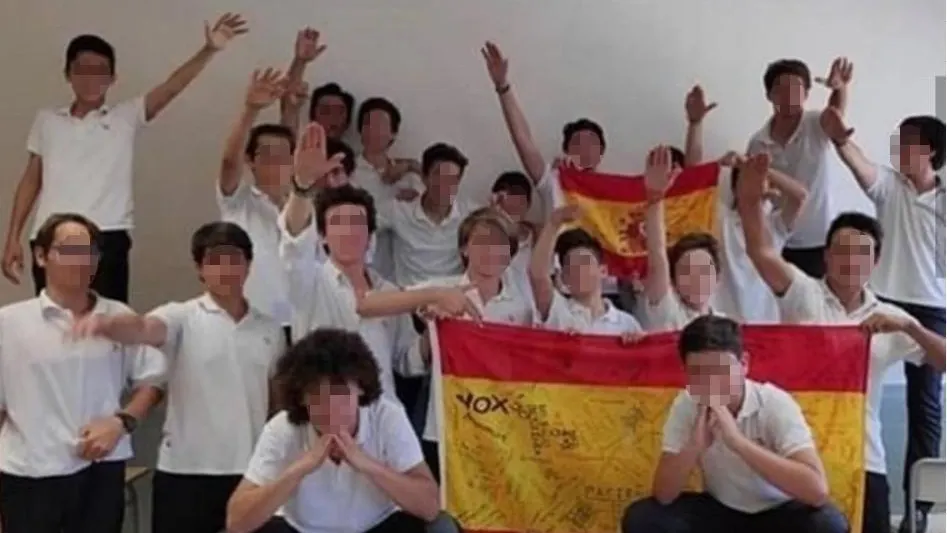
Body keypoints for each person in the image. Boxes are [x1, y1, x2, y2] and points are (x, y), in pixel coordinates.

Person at [736, 153, 947, 533]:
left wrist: (910, 329)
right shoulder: (802, 293)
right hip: (795, 450)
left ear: (875, 260)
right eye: (842, 252)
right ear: (827, 256)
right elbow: (761, 251)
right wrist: (750, 199)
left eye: (862, 253)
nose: (851, 261)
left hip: (864, 456)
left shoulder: (890, 318)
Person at [1, 14, 249, 302]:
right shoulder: (47, 120)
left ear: (112, 78)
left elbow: (170, 88)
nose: (91, 78)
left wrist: (209, 50)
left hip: (107, 235)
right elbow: (32, 179)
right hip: (51, 235)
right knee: (52, 322)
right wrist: (12, 237)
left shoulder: (126, 116)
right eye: (82, 70)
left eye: (100, 71)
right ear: (68, 74)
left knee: (108, 326)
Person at [70, 221, 284, 533]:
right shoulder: (182, 316)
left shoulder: (270, 329)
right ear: (200, 268)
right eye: (214, 260)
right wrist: (108, 325)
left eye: (234, 259)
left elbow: (277, 402)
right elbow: (144, 328)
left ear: (248, 265)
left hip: (252, 471)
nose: (226, 269)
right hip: (186, 471)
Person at [820, 110, 946, 533]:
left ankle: (918, 511)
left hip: (930, 309)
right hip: (882, 299)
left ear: (929, 150)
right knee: (856, 392)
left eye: (907, 141)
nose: (898, 149)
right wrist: (840, 141)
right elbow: (860, 164)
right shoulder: (889, 187)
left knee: (926, 408)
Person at [0, 213, 166, 533]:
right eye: (70, 250)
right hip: (30, 473)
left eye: (89, 251)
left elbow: (153, 381)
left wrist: (121, 422)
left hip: (101, 470)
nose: (81, 261)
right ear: (40, 256)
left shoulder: (118, 317)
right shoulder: (9, 324)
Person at [621, 315, 849, 533]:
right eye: (698, 373)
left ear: (744, 364)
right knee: (643, 518)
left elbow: (817, 491)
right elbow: (663, 494)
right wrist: (695, 445)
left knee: (828, 524)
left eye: (721, 371)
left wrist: (738, 442)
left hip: (777, 511)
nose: (712, 383)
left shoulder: (774, 403)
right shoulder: (687, 403)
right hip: (720, 511)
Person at [356, 207, 534, 478]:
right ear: (464, 249)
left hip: (501, 426)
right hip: (444, 423)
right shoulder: (439, 289)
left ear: (510, 252)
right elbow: (368, 305)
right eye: (482, 242)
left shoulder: (523, 307)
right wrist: (433, 326)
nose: (491, 251)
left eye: (500, 244)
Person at [225, 328, 459, 533]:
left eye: (340, 393)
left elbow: (429, 506)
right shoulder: (282, 428)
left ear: (360, 390)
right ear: (301, 398)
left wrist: (367, 464)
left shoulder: (387, 417)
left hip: (376, 525)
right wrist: (299, 469)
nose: (330, 407)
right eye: (317, 395)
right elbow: (236, 521)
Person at [279, 122, 415, 401]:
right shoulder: (310, 282)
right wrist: (302, 189)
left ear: (371, 235)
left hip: (382, 424)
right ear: (323, 237)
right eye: (338, 223)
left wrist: (435, 332)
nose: (349, 231)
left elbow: (407, 360)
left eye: (357, 223)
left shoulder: (390, 292)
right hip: (322, 419)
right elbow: (294, 244)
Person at [745, 57, 863, 279]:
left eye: (797, 88)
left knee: (817, 310)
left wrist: (840, 88)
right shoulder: (757, 143)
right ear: (769, 95)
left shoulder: (816, 123)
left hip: (818, 242)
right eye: (781, 88)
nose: (790, 94)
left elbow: (834, 114)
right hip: (776, 239)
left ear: (807, 93)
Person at [218, 68, 295, 339]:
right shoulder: (238, 202)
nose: (276, 160)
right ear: (251, 160)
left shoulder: (305, 207)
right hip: (251, 324)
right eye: (267, 154)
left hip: (302, 323)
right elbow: (229, 162)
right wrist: (251, 110)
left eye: (284, 154)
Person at [714, 157, 808, 323]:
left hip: (766, 317)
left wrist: (762, 171)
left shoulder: (774, 224)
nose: (758, 184)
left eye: (763, 181)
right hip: (726, 316)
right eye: (749, 181)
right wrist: (721, 166)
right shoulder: (722, 220)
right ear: (736, 189)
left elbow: (800, 196)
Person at [529, 205, 642, 338]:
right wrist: (554, 222)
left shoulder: (627, 324)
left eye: (585, 262)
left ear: (603, 271)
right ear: (564, 277)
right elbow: (538, 275)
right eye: (571, 265)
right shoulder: (558, 311)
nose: (579, 270)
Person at [375, 142, 477, 287]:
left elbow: (509, 231)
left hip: (452, 300)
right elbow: (356, 219)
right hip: (411, 300)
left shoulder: (470, 215)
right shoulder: (399, 211)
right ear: (424, 177)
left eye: (452, 180)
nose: (445, 185)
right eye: (439, 176)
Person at [642, 146, 721, 330]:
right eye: (687, 272)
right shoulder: (667, 313)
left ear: (717, 277)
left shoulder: (727, 324)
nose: (696, 278)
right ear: (674, 279)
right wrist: (655, 199)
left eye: (704, 271)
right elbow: (658, 257)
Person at [351, 96, 424, 279]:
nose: (374, 130)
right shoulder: (349, 171)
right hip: (358, 266)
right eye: (369, 124)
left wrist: (414, 166)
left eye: (381, 125)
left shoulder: (407, 175)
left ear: (393, 133)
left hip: (400, 271)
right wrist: (396, 207)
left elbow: (431, 211)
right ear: (360, 131)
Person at [280, 28, 353, 140]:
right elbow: (290, 104)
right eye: (325, 111)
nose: (332, 118)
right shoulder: (298, 153)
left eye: (339, 112)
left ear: (348, 122)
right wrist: (300, 62)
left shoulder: (351, 157)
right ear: (312, 117)